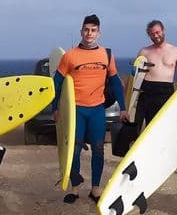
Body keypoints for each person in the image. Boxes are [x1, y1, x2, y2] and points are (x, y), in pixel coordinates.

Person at [52, 14, 127, 204]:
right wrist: (56, 108)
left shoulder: (106, 55)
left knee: (99, 149)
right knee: (74, 150)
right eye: (86, 29)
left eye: (93, 30)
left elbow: (116, 83)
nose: (89, 33)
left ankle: (95, 189)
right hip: (76, 110)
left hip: (96, 110)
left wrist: (123, 108)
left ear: (98, 33)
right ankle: (75, 189)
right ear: (81, 31)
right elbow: (57, 83)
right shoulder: (70, 56)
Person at [135, 20, 177, 176]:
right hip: (147, 91)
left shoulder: (176, 51)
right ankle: (148, 163)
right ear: (149, 35)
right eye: (152, 33)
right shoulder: (144, 52)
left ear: (163, 31)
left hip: (166, 91)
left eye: (158, 32)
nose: (156, 36)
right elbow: (137, 76)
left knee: (172, 128)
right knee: (148, 130)